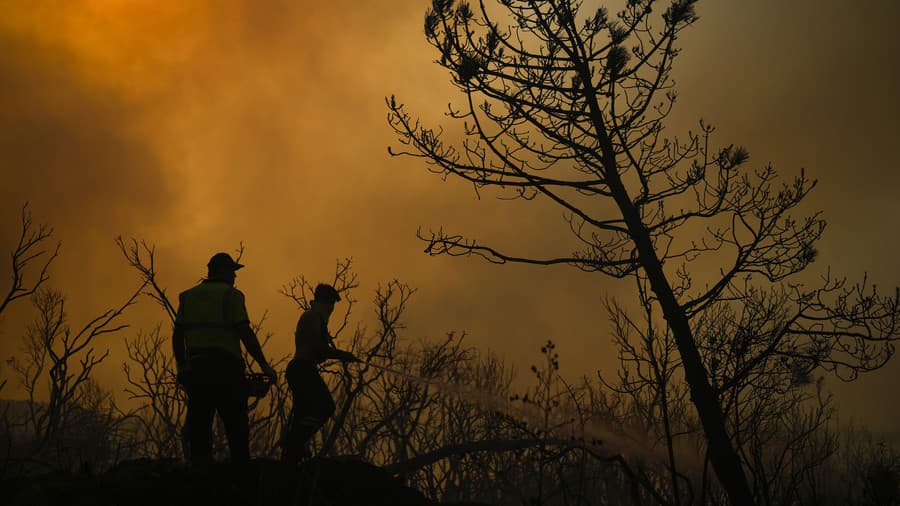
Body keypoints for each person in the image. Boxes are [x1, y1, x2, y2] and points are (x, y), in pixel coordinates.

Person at [172, 252, 277, 464]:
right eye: (232, 271)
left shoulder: (187, 296)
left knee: (200, 426)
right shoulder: (232, 296)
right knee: (236, 427)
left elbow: (177, 335)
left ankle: (201, 475)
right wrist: (264, 364)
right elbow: (245, 332)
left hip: (198, 370)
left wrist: (182, 366)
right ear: (222, 271)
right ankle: (241, 475)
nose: (235, 277)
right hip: (227, 369)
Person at [283, 283, 358, 462]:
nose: (331, 308)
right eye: (330, 303)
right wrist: (340, 354)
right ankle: (294, 442)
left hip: (301, 369)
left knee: (303, 414)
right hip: (301, 369)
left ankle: (292, 456)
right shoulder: (311, 316)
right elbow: (317, 348)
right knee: (325, 407)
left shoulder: (317, 319)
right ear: (323, 301)